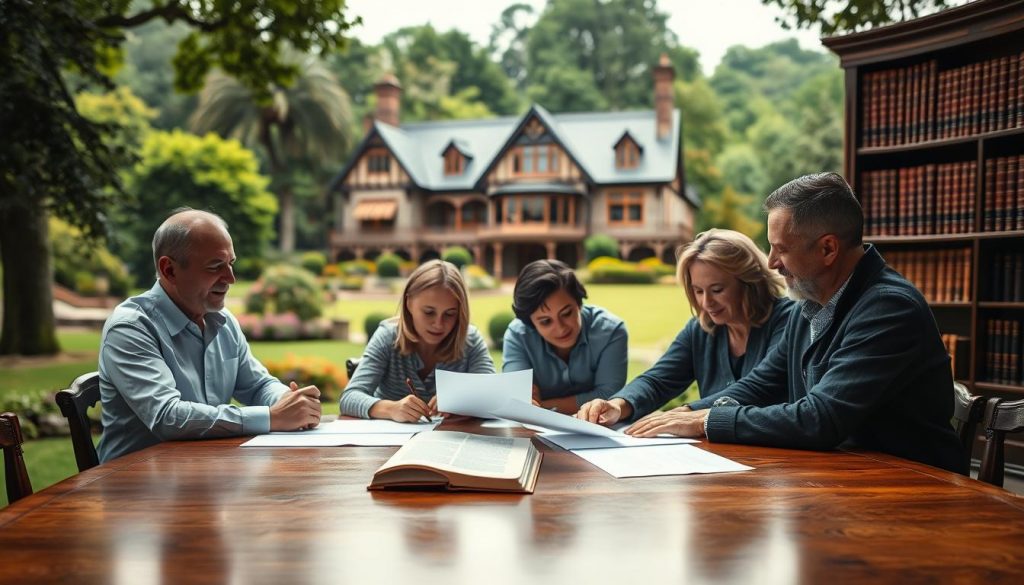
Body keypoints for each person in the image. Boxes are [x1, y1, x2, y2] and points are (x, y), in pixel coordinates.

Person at [600, 172, 967, 474]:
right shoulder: (809, 306)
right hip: (846, 477)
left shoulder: (887, 308)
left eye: (782, 248)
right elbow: (759, 385)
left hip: (911, 486)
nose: (772, 262)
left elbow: (822, 418)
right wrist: (683, 416)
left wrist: (703, 421)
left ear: (827, 249)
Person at [97, 209, 322, 463]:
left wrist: (288, 401)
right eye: (215, 266)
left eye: (231, 264)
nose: (231, 278)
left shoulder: (222, 320)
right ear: (169, 270)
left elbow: (257, 385)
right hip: (134, 488)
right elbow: (167, 417)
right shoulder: (130, 327)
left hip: (206, 474)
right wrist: (271, 417)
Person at [576, 229, 795, 426]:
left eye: (717, 290)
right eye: (698, 291)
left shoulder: (787, 321)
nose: (706, 303)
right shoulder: (701, 329)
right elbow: (658, 380)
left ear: (749, 282)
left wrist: (688, 412)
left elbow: (759, 387)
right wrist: (618, 405)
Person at [340, 260, 495, 421]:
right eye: (429, 312)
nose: (438, 324)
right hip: (392, 444)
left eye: (450, 314)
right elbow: (349, 398)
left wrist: (462, 400)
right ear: (409, 303)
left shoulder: (470, 340)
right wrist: (391, 409)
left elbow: (494, 395)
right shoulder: (388, 336)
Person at [502, 259, 628, 413]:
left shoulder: (611, 331)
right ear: (530, 322)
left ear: (579, 303)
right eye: (546, 321)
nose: (560, 328)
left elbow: (609, 397)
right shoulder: (517, 335)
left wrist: (541, 405)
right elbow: (518, 399)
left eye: (567, 313)